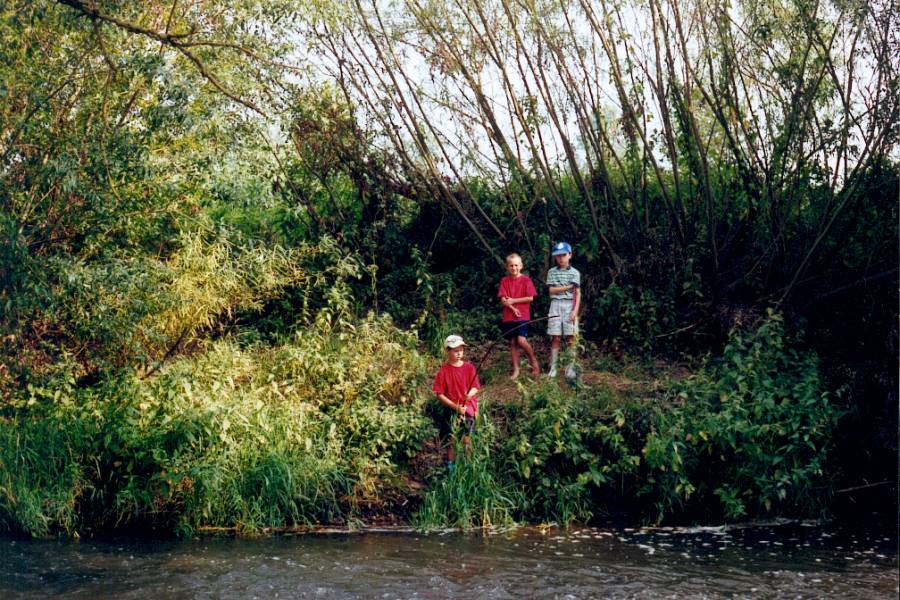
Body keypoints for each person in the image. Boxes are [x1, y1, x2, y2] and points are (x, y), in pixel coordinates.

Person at [431, 334, 480, 466]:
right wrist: (455, 407)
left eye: (461, 350)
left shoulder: (469, 368)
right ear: (447, 350)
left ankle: (469, 465)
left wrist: (469, 395)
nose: (459, 353)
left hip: (468, 410)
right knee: (452, 439)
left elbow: (475, 386)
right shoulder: (444, 371)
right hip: (452, 411)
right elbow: (439, 394)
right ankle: (451, 466)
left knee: (466, 439)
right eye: (455, 351)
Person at [497, 253, 541, 379]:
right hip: (508, 316)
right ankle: (516, 369)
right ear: (507, 267)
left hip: (522, 315)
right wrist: (511, 307)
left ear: (521, 266)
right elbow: (504, 300)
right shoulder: (504, 281)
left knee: (521, 340)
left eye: (516, 265)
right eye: (511, 265)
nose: (514, 268)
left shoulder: (526, 280)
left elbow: (530, 297)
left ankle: (534, 362)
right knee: (512, 343)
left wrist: (514, 302)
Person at [546, 241, 581, 378]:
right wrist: (568, 287)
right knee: (555, 337)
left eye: (564, 255)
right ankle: (553, 368)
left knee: (571, 337)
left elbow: (577, 293)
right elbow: (551, 291)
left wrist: (575, 311)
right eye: (558, 256)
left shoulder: (575, 273)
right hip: (555, 305)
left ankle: (570, 368)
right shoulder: (552, 272)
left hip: (569, 305)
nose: (561, 258)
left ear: (570, 255)